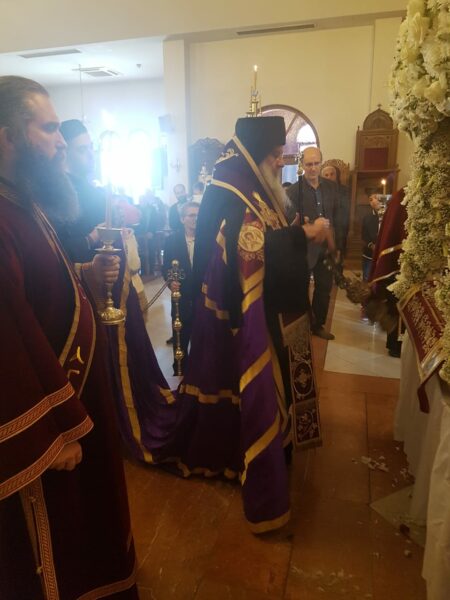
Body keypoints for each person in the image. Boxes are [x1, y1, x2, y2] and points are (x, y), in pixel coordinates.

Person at [0, 76, 137, 598]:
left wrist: (83, 275)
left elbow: (38, 289)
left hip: (72, 402)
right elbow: (7, 337)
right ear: (7, 137)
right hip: (48, 422)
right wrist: (49, 432)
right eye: (49, 128)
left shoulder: (23, 201)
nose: (61, 142)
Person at [175, 115, 330, 533]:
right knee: (259, 386)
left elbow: (265, 233)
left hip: (274, 304)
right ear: (257, 154)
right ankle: (255, 451)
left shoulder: (257, 184)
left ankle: (282, 439)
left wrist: (296, 233)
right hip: (239, 316)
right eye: (276, 155)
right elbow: (243, 246)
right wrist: (302, 235)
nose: (281, 163)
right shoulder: (229, 187)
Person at [56, 118, 177, 465]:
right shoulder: (59, 193)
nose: (90, 155)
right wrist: (93, 238)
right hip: (76, 292)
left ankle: (115, 417)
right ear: (64, 152)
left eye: (91, 149)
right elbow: (59, 246)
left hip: (108, 287)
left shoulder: (94, 191)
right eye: (82, 150)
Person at [287, 147, 341, 340]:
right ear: (302, 164)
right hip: (303, 249)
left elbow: (336, 216)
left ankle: (318, 325)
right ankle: (299, 325)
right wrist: (306, 225)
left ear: (321, 163)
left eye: (316, 163)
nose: (313, 168)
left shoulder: (332, 187)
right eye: (309, 164)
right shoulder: (294, 191)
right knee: (300, 289)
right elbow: (289, 221)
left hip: (326, 248)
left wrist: (336, 245)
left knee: (324, 288)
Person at [367, 188, 406, 357]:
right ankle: (395, 345)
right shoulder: (401, 197)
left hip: (406, 266)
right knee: (395, 304)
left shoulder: (398, 198)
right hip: (396, 268)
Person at [162, 201, 199, 375]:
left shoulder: (207, 239)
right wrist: (170, 283)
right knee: (180, 332)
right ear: (183, 219)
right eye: (191, 215)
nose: (195, 219)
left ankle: (200, 369)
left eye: (198, 215)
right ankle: (180, 367)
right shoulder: (172, 241)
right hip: (181, 295)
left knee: (202, 333)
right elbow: (166, 268)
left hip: (202, 294)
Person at [320, 163, 350, 256]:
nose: (329, 177)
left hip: (340, 229)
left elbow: (345, 214)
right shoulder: (318, 191)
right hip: (323, 231)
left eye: (332, 174)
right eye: (326, 175)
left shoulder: (345, 191)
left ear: (337, 176)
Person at [361, 193, 382, 281]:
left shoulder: (387, 215)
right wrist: (371, 245)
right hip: (369, 254)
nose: (373, 201)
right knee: (367, 278)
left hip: (383, 253)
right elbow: (364, 235)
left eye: (376, 198)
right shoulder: (367, 217)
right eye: (371, 200)